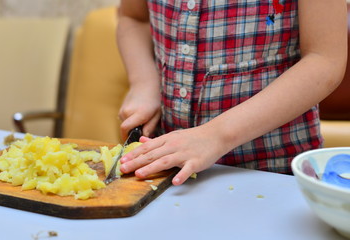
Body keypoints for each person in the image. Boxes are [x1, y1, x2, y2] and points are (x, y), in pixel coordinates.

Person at [116, 0, 347, 186]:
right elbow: (133, 18)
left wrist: (214, 136)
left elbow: (325, 59)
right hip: (165, 172)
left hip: (275, 173)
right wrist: (143, 83)